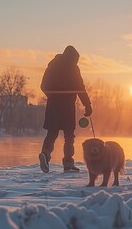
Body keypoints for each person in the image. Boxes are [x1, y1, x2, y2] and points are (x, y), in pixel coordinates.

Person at [39, 45, 92, 173]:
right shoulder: (74, 68)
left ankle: (45, 154)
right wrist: (87, 104)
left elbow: (43, 85)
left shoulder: (52, 65)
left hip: (53, 106)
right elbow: (80, 88)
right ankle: (68, 163)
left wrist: (52, 97)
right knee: (69, 136)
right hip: (67, 107)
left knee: (52, 133)